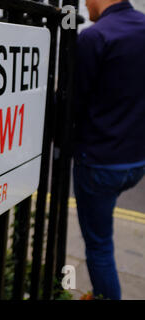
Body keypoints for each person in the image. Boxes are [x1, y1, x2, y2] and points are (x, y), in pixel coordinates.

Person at [73, 0, 145, 300]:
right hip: (137, 160)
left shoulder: (94, 37)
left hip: (99, 164)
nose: (85, 5)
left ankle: (106, 295)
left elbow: (74, 105)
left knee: (100, 247)